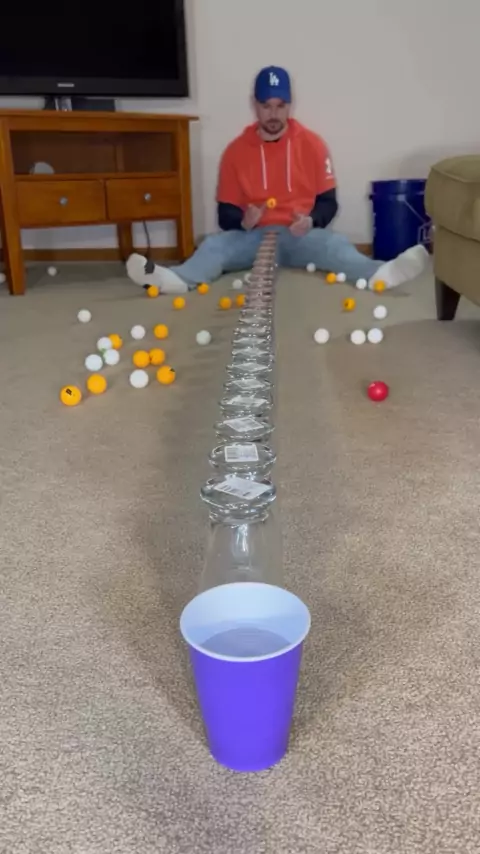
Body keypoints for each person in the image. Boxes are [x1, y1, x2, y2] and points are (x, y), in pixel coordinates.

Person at [126, 66, 429, 294]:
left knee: (337, 245)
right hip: (253, 237)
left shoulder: (312, 144)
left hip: (300, 236)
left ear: (290, 105)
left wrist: (311, 221)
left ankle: (379, 274)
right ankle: (176, 280)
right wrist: (243, 221)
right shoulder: (234, 152)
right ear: (254, 104)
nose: (273, 114)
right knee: (213, 246)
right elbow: (225, 213)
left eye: (280, 106)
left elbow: (328, 203)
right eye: (266, 106)